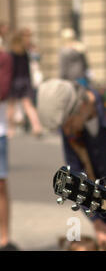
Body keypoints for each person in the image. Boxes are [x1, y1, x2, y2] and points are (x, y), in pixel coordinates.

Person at [36, 79, 106, 251]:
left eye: (67, 124)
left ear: (81, 106)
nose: (66, 131)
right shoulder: (70, 128)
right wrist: (97, 222)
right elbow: (76, 175)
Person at [7, 29, 43, 137]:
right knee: (28, 105)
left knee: (11, 106)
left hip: (14, 81)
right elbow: (38, 58)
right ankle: (37, 127)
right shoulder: (26, 52)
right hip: (25, 80)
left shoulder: (12, 52)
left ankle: (11, 129)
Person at [0, 45, 18, 251]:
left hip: (0, 130)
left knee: (1, 185)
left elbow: (3, 91)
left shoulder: (4, 57)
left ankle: (4, 238)